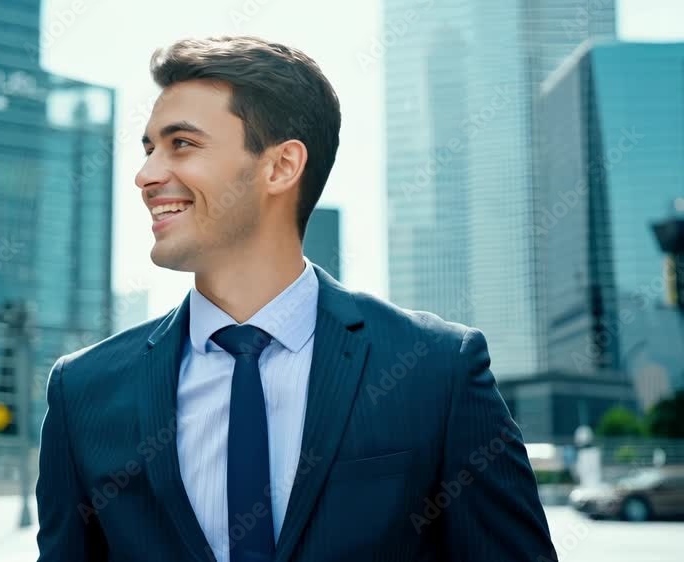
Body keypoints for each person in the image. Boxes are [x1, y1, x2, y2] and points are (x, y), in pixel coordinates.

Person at [36, 36, 558, 561]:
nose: (146, 175)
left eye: (182, 144)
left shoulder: (437, 370)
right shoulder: (82, 390)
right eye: (148, 148)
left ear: (281, 166)